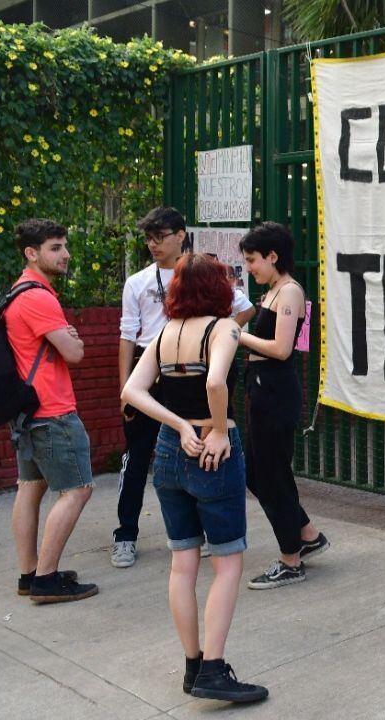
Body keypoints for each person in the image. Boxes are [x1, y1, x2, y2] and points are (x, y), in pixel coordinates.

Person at [121, 253, 267, 703]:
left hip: (170, 450)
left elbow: (132, 391)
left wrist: (180, 426)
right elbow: (216, 382)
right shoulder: (223, 327)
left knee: (183, 563)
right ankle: (213, 671)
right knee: (227, 563)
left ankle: (192, 665)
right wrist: (217, 429)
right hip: (213, 452)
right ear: (218, 287)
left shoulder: (164, 332)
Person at [113, 207, 255, 568]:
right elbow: (128, 337)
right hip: (154, 362)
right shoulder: (139, 281)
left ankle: (204, 529)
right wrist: (123, 389)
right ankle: (125, 534)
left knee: (202, 450)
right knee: (139, 456)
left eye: (159, 236)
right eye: (148, 238)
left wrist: (219, 335)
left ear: (181, 234)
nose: (153, 244)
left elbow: (243, 308)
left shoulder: (201, 272)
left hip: (195, 364)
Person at [6, 219, 100, 604]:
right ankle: (46, 579)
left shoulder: (18, 292)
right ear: (32, 253)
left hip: (29, 413)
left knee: (30, 488)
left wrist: (68, 340)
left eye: (64, 246)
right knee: (77, 489)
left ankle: (30, 574)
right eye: (56, 248)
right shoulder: (39, 298)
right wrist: (71, 340)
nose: (65, 255)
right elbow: (75, 353)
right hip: (53, 412)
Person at [237, 222, 329, 589]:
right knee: (258, 472)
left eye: (253, 260)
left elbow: (282, 349)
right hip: (263, 388)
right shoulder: (274, 292)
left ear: (273, 256)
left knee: (270, 474)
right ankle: (307, 534)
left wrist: (238, 335)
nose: (249, 268)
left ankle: (290, 559)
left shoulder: (289, 292)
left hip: (275, 390)